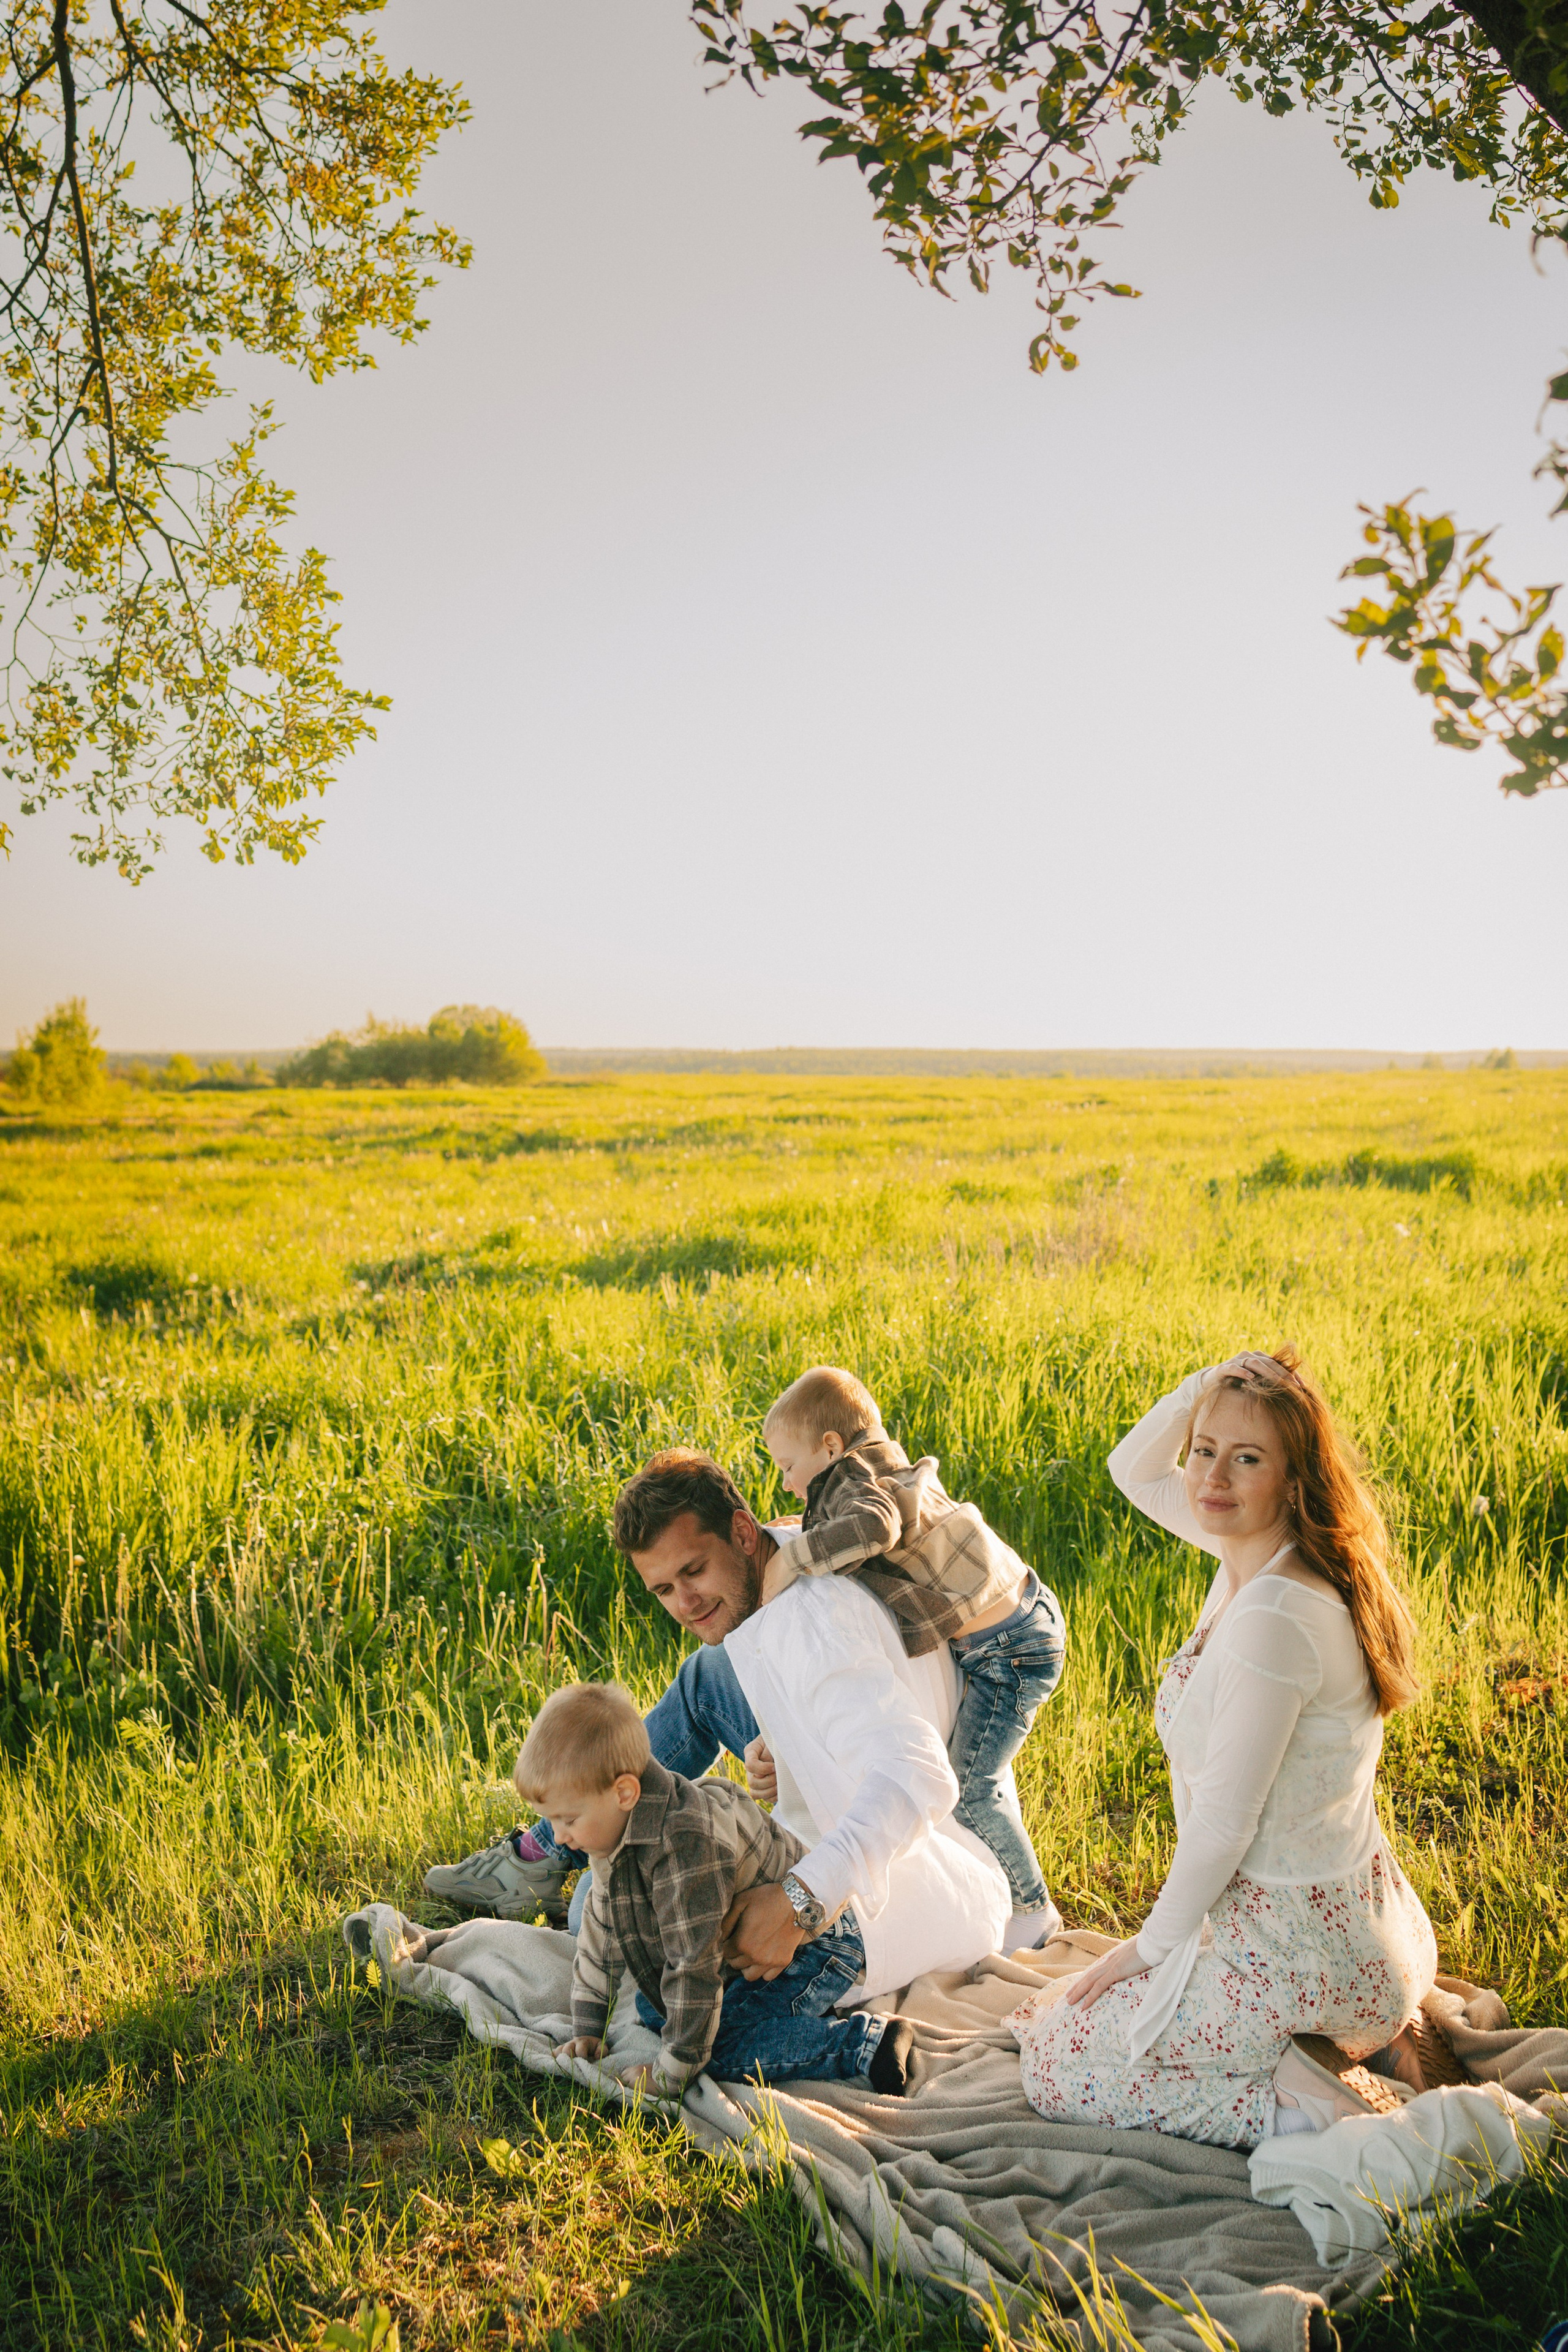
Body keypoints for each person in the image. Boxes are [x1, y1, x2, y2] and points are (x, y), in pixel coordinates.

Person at [1009, 1349, 1438, 2150]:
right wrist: (1201, 1387)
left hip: (1307, 1959)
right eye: (1205, 1450)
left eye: (1247, 1459)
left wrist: (1151, 1949)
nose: (1212, 1476)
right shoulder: (1260, 1553)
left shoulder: (1275, 1616)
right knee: (1050, 2014)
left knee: (1058, 2065)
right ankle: (1336, 2049)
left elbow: (1223, 1826)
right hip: (1363, 1931)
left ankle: (1317, 2107)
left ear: (1294, 1480)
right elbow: (1130, 1469)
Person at [426, 1452, 1012, 1999]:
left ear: (741, 1531)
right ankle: (556, 1838)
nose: (684, 1602)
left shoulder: (813, 1630)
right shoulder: (782, 1564)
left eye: (694, 1570)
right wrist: (790, 1746)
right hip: (861, 1776)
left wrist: (797, 1902)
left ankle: (555, 1842)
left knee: (592, 1910)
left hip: (924, 1865)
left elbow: (918, 1777)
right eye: (662, 1589)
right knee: (707, 1677)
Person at [761, 1365, 1065, 1950]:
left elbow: (873, 1527)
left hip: (1013, 1648)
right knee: (979, 1776)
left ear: (830, 1448)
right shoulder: (867, 1469)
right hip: (1011, 1627)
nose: (785, 1482)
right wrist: (805, 1525)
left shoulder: (855, 1478)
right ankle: (1013, 1896)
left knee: (973, 1785)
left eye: (788, 1467)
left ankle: (1033, 1910)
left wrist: (796, 1554)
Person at [524, 1681, 916, 2096]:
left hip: (816, 1940)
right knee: (654, 2005)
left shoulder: (686, 1846)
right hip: (739, 1952)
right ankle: (780, 2020)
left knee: (714, 2048)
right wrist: (588, 2027)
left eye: (567, 1819)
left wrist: (671, 2073)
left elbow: (693, 1966)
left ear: (624, 1793)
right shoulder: (611, 1834)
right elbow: (601, 1932)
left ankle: (867, 2043)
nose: (560, 1837)